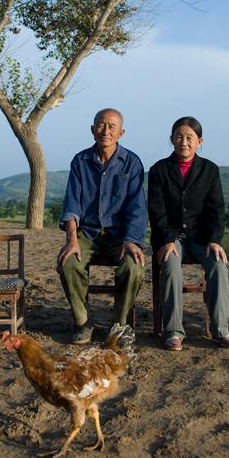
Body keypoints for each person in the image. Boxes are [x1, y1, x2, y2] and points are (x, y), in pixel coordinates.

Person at [148, 116, 229, 350]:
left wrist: (215, 240)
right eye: (179, 137)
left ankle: (221, 330)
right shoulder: (159, 170)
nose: (184, 142)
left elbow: (216, 210)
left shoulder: (209, 170)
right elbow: (156, 212)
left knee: (218, 265)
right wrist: (167, 240)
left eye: (189, 137)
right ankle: (174, 331)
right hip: (170, 236)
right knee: (170, 264)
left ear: (200, 141)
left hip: (201, 238)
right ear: (171, 140)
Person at [57, 108, 148, 344]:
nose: (105, 131)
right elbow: (72, 204)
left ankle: (119, 325)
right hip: (87, 233)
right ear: (92, 129)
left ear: (121, 133)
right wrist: (72, 239)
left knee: (134, 267)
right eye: (100, 125)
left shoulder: (132, 163)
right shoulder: (80, 161)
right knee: (68, 263)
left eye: (111, 126)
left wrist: (131, 240)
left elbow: (137, 207)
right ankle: (82, 322)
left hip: (120, 235)